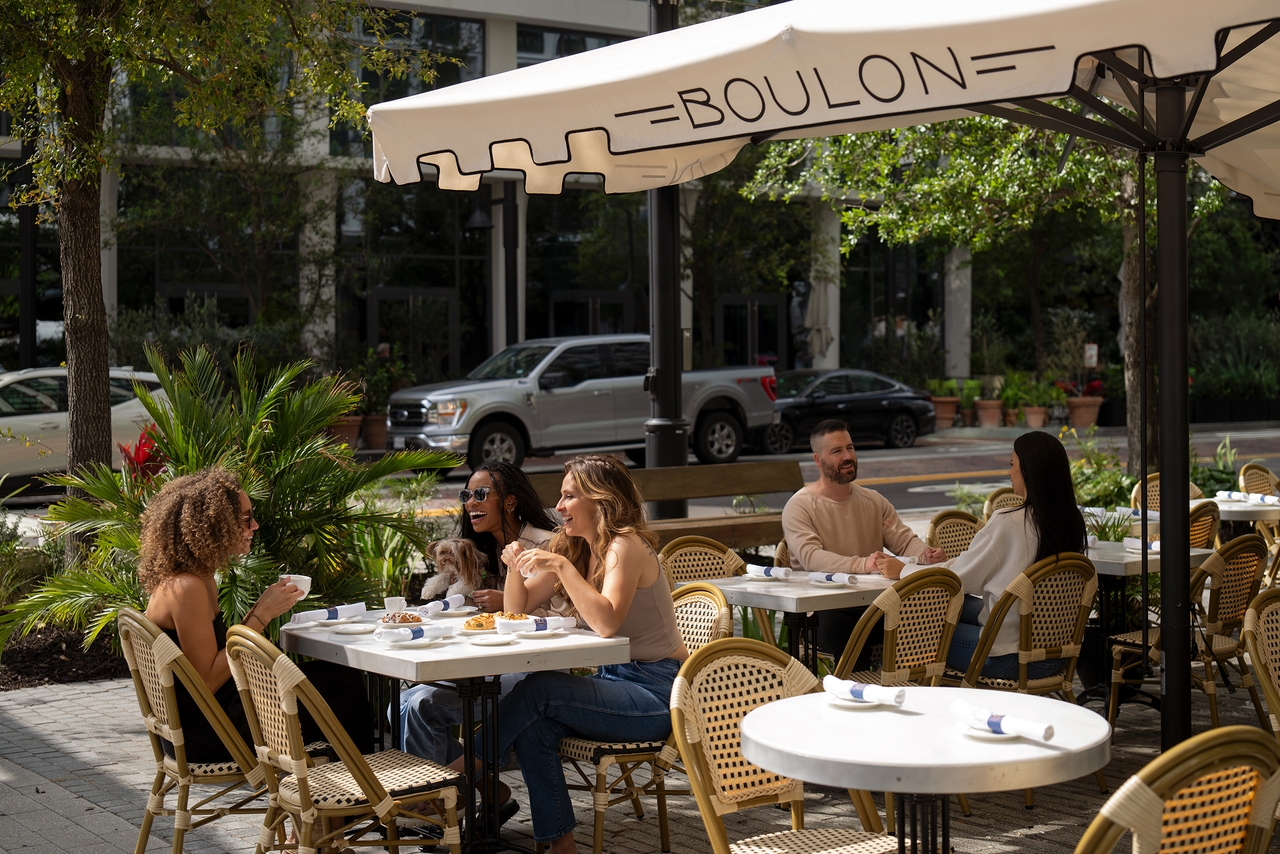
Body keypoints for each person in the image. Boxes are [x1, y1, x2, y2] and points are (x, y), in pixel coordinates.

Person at [448, 454, 688, 853]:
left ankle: (453, 776)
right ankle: (563, 846)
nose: (558, 507)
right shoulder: (577, 546)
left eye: (569, 496)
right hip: (613, 684)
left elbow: (607, 622)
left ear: (601, 501)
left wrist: (561, 566)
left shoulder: (625, 547)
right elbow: (517, 610)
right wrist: (512, 567)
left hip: (659, 695)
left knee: (539, 689)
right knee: (534, 729)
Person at [142, 468, 371, 762]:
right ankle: (358, 791)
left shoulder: (196, 577)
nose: (256, 526)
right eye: (246, 518)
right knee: (341, 684)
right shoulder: (187, 587)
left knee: (335, 679)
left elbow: (212, 657)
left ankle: (347, 786)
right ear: (215, 524)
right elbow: (207, 680)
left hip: (206, 721)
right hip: (209, 734)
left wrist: (259, 609)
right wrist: (260, 616)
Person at [399, 462, 561, 766]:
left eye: (481, 494)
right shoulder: (483, 551)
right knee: (400, 703)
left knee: (421, 705)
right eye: (466, 495)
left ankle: (438, 797)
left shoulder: (544, 545)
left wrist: (507, 602)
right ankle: (479, 789)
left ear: (510, 502)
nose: (470, 503)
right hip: (489, 659)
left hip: (534, 668)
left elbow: (559, 613)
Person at [900, 431, 1087, 679]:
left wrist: (903, 570)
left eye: (1013, 465)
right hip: (1057, 655)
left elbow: (956, 580)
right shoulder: (1071, 521)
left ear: (1030, 471)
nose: (1009, 473)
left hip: (1008, 659)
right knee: (961, 605)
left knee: (911, 624)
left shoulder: (1009, 522)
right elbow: (969, 568)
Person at [781, 419, 947, 661]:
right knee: (848, 631)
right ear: (818, 460)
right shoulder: (799, 505)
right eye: (837, 451)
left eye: (850, 447)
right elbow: (811, 558)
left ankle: (904, 686)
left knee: (927, 615)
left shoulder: (873, 500)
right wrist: (864, 564)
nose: (847, 456)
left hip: (873, 603)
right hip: (821, 609)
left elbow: (903, 540)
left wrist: (925, 554)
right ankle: (856, 694)